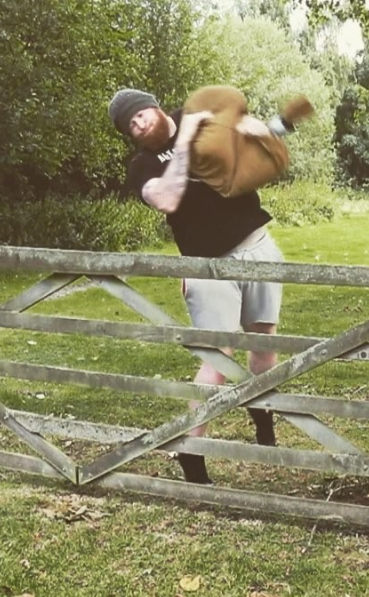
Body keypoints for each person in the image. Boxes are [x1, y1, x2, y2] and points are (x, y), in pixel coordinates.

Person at [108, 88, 296, 484]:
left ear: (155, 106)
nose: (139, 125)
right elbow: (167, 199)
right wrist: (184, 145)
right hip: (206, 266)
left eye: (140, 114)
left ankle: (262, 419)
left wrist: (280, 126)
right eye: (131, 125)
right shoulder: (141, 166)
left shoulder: (197, 113)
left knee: (265, 343)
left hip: (257, 245)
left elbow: (244, 133)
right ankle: (191, 454)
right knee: (217, 360)